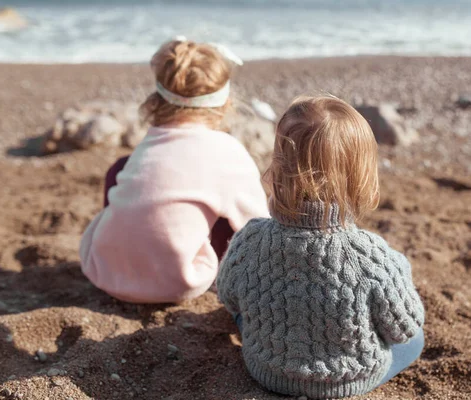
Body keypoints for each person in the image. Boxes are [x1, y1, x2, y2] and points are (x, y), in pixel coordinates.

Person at [217, 96, 425, 399]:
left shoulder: (250, 240)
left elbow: (228, 296)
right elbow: (403, 328)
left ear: (279, 168)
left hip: (269, 371)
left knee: (244, 315)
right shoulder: (370, 257)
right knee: (416, 340)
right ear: (360, 178)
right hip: (347, 380)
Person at [80, 37, 269, 303]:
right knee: (234, 209)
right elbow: (258, 225)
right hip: (179, 282)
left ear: (157, 98)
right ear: (225, 102)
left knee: (120, 169)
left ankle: (121, 253)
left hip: (107, 274)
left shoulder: (151, 142)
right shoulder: (227, 151)